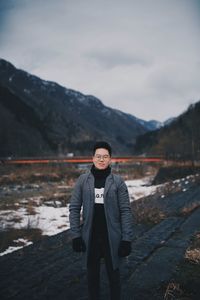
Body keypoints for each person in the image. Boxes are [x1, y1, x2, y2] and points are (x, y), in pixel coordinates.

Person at [69, 141, 134, 300]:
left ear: (110, 159)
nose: (101, 159)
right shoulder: (82, 180)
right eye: (98, 156)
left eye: (105, 156)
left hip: (112, 238)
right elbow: (74, 208)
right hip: (90, 237)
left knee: (114, 279)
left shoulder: (118, 182)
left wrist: (126, 239)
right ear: (92, 158)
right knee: (92, 279)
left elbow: (125, 211)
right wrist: (76, 236)